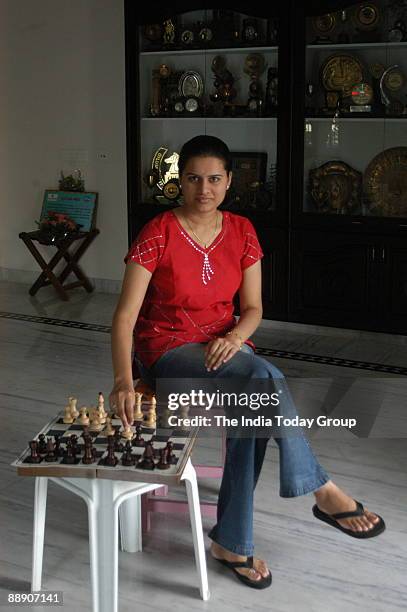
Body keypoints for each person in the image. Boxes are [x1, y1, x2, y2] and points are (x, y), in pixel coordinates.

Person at [110, 135, 385, 590]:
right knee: (264, 381)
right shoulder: (157, 230)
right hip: (169, 352)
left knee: (253, 405)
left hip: (227, 351)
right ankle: (320, 490)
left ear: (230, 181)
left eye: (215, 178)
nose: (204, 189)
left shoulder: (242, 230)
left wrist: (235, 336)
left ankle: (231, 542)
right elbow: (123, 317)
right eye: (194, 178)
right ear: (180, 181)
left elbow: (253, 308)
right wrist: (124, 379)